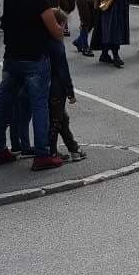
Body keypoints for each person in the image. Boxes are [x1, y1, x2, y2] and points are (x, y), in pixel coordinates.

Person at [0, 0, 65, 172]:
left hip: (11, 57)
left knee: (3, 103)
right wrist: (60, 27)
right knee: (39, 106)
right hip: (34, 59)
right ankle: (42, 154)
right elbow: (56, 32)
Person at [47, 9, 86, 161]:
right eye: (63, 25)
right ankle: (51, 151)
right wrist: (70, 92)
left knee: (62, 119)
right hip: (57, 88)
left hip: (48, 85)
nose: (65, 29)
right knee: (57, 121)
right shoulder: (57, 44)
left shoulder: (46, 40)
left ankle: (73, 148)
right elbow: (63, 70)